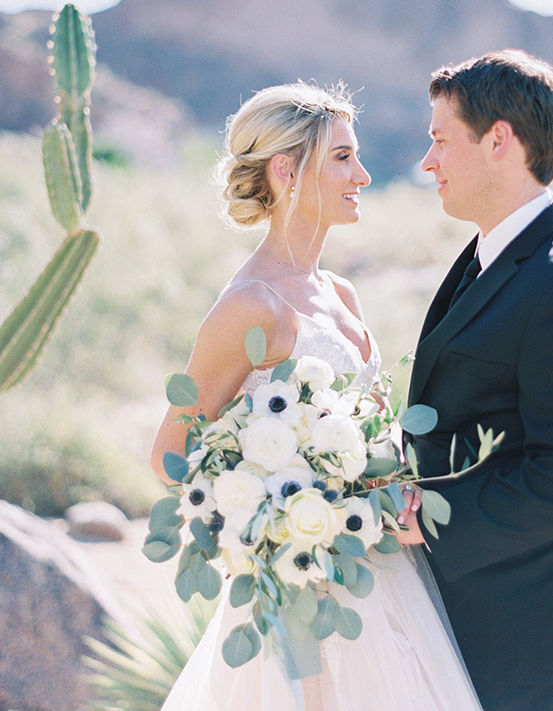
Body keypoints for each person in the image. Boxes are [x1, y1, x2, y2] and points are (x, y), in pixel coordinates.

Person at [152, 82, 483, 711]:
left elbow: (373, 434)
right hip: (298, 585)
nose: (361, 173)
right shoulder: (252, 307)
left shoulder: (341, 293)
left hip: (383, 573)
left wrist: (393, 489)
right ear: (285, 170)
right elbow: (172, 453)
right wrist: (276, 513)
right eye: (341, 157)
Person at [400, 51, 553, 711]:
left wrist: (434, 520)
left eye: (441, 140)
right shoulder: (489, 257)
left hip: (543, 644)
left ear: (499, 140)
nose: (429, 162)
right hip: (486, 625)